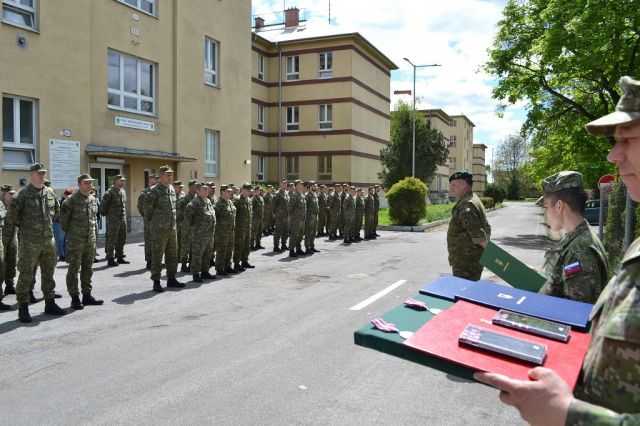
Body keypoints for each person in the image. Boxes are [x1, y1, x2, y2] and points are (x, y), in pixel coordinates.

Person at [475, 75, 640, 425]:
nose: (613, 154)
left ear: (560, 206)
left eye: (629, 139)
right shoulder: (607, 246)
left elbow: (574, 321)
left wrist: (567, 413)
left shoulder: (581, 249)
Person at [536, 171, 609, 303]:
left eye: (546, 207)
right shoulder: (578, 240)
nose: (545, 214)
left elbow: (577, 312)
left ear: (559, 206)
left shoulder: (580, 251)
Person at [8, 163, 66, 322]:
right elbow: (12, 217)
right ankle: (23, 307)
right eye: (39, 173)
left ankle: (50, 303)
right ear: (31, 174)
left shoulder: (49, 192)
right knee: (26, 274)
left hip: (48, 241)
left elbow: (56, 213)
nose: (42, 176)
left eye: (44, 173)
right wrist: (28, 229)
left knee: (48, 273)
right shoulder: (22, 194)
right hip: (29, 243)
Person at [60, 174, 104, 309]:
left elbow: (94, 220)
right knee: (73, 270)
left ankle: (87, 295)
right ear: (79, 184)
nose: (89, 185)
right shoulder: (71, 200)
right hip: (76, 242)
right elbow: (64, 222)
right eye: (86, 183)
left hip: (90, 241)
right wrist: (74, 234)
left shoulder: (93, 199)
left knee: (87, 269)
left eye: (90, 183)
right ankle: (74, 298)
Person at [143, 165, 184, 292]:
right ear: (161, 176)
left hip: (172, 229)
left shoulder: (171, 189)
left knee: (172, 256)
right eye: (167, 174)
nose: (170, 177)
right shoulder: (153, 191)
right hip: (159, 230)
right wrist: (156, 223)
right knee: (157, 256)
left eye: (171, 174)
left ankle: (171, 278)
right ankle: (156, 281)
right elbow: (147, 211)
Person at [446, 170, 490, 281]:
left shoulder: (466, 204)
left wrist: (494, 257)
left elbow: (478, 235)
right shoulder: (474, 199)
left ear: (463, 184)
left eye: (453, 185)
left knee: (464, 290)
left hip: (466, 263)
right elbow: (487, 227)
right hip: (471, 260)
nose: (451, 188)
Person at [184, 183, 216, 283]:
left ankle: (205, 271)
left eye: (207, 189)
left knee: (207, 253)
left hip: (209, 233)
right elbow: (188, 216)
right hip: (199, 234)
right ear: (197, 191)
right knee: (197, 254)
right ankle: (196, 274)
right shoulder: (194, 202)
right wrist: (196, 227)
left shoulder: (208, 201)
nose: (207, 191)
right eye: (204, 189)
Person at [100, 174, 129, 267]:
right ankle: (110, 258)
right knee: (111, 239)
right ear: (116, 181)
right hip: (113, 220)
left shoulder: (123, 192)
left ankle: (120, 257)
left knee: (122, 238)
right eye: (121, 181)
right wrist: (107, 215)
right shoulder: (110, 192)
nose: (123, 182)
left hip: (122, 219)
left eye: (123, 181)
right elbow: (103, 205)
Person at [137, 173, 158, 269]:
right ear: (149, 181)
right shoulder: (144, 193)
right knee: (149, 241)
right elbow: (140, 207)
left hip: (159, 222)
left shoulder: (159, 192)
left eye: (157, 179)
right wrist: (146, 216)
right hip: (149, 221)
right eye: (154, 179)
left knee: (158, 241)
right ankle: (149, 261)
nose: (156, 181)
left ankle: (157, 261)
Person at [214, 185, 236, 275]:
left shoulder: (230, 202)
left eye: (230, 191)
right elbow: (214, 218)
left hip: (230, 231)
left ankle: (227, 266)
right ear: (222, 192)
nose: (230, 193)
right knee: (221, 250)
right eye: (228, 191)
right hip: (222, 232)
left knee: (229, 249)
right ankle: (219, 268)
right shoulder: (218, 203)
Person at [232, 183, 254, 271]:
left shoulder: (249, 200)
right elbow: (233, 214)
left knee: (246, 245)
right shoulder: (237, 200)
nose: (249, 192)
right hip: (239, 228)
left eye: (250, 191)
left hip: (247, 227)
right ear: (243, 190)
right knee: (239, 245)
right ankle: (236, 263)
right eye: (248, 191)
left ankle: (244, 261)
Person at [177, 179, 197, 272]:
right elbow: (179, 211)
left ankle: (191, 263)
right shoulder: (185, 199)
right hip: (187, 226)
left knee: (193, 245)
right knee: (185, 245)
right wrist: (182, 222)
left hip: (195, 226)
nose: (197, 187)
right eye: (195, 185)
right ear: (191, 187)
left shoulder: (197, 197)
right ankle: (184, 264)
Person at [1, 185, 17, 297]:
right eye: (10, 194)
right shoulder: (0, 206)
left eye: (13, 194)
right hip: (2, 239)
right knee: (1, 264)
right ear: (3, 194)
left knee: (12, 262)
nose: (12, 196)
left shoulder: (14, 206)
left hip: (13, 238)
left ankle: (10, 285)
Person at [53, 188, 73, 261]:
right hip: (58, 222)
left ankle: (65, 254)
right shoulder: (59, 201)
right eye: (69, 195)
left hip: (65, 223)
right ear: (65, 194)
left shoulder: (68, 201)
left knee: (65, 240)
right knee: (60, 240)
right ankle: (61, 255)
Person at [288, 179, 306, 257]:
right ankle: (291, 250)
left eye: (302, 185)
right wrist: (290, 217)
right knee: (294, 234)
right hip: (295, 219)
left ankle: (298, 249)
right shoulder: (294, 196)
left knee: (300, 235)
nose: (301, 186)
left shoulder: (302, 195)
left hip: (301, 218)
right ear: (296, 186)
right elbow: (290, 208)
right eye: (299, 184)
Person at [272, 179, 290, 252]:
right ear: (280, 184)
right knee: (278, 231)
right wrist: (276, 214)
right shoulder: (277, 194)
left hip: (286, 215)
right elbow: (273, 206)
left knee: (285, 231)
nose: (285, 185)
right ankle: (276, 246)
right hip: (279, 216)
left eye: (286, 183)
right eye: (283, 183)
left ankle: (283, 244)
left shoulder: (286, 193)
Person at [304, 181, 319, 254]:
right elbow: (305, 207)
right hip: (309, 217)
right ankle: (307, 247)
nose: (315, 187)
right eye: (314, 186)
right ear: (310, 187)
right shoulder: (307, 195)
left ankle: (312, 246)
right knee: (308, 232)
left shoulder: (315, 194)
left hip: (315, 216)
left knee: (313, 232)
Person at [251, 186, 265, 251]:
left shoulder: (261, 198)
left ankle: (258, 244)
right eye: (259, 190)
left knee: (259, 232)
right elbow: (251, 209)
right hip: (255, 218)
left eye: (260, 190)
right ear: (256, 191)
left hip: (260, 218)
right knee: (254, 232)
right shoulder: (253, 199)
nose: (260, 191)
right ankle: (251, 245)